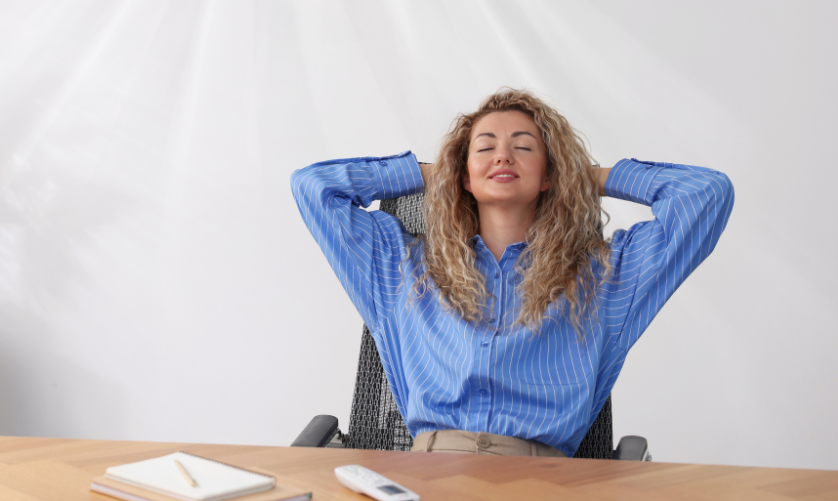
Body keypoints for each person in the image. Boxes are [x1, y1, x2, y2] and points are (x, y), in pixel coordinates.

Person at [290, 88, 734, 458]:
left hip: (541, 486)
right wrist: (435, 172)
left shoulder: (605, 277)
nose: (502, 156)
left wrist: (585, 175)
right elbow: (315, 188)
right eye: (484, 148)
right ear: (463, 176)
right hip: (429, 479)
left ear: (548, 176)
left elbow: (705, 195)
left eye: (523, 147)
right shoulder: (400, 267)